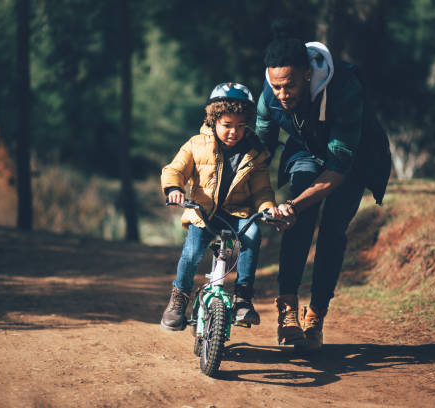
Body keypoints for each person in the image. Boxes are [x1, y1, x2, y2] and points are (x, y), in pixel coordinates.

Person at [255, 28, 391, 349]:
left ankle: (316, 315)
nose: (282, 94)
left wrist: (294, 205)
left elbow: (338, 167)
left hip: (353, 158)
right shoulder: (268, 95)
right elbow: (259, 153)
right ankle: (287, 309)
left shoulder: (345, 88)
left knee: (332, 229)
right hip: (306, 150)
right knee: (297, 219)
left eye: (289, 86)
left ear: (306, 74)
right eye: (276, 86)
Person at [160, 82, 280, 331]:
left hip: (238, 215)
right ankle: (178, 300)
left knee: (253, 235)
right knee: (192, 253)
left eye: (240, 126)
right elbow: (176, 169)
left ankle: (243, 297)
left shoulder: (254, 153)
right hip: (203, 213)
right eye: (227, 125)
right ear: (213, 120)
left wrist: (268, 207)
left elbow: (261, 190)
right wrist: (174, 189)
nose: (233, 132)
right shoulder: (196, 145)